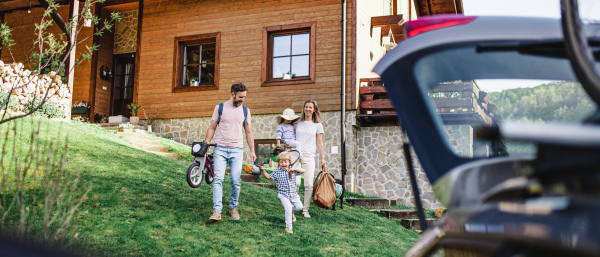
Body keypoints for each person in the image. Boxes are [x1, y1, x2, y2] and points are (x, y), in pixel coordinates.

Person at [204, 83, 256, 221]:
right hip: (220, 148)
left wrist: (252, 150)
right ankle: (217, 211)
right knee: (218, 179)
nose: (243, 100)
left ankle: (233, 207)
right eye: (240, 97)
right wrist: (206, 145)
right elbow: (212, 128)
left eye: (244, 97)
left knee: (235, 180)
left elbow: (249, 132)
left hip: (237, 150)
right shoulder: (220, 108)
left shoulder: (245, 111)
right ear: (232, 94)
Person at [294, 99, 326, 218]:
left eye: (310, 107)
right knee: (295, 183)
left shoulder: (318, 125)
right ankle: (295, 205)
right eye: (306, 107)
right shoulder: (297, 123)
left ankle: (305, 209)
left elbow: (319, 143)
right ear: (304, 108)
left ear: (314, 110)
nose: (308, 109)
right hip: (296, 157)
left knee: (308, 185)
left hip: (309, 157)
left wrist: (322, 158)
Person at [259, 152, 305, 234]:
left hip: (293, 194)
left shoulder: (292, 170)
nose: (283, 163)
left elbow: (303, 171)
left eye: (285, 162)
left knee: (300, 207)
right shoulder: (277, 171)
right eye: (281, 162)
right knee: (288, 208)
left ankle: (291, 214)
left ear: (289, 163)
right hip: (283, 195)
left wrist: (294, 169)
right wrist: (263, 171)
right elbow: (269, 177)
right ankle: (288, 227)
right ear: (279, 163)